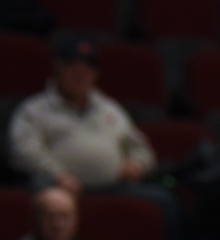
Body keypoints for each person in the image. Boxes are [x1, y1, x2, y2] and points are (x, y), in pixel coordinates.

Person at [9, 38, 156, 194]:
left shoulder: (110, 108)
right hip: (57, 187)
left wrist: (137, 163)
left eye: (87, 70)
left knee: (162, 201)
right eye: (74, 69)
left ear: (96, 74)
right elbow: (24, 151)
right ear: (59, 69)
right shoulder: (34, 109)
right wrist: (57, 175)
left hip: (115, 187)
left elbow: (140, 147)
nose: (80, 76)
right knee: (51, 201)